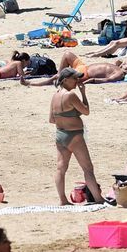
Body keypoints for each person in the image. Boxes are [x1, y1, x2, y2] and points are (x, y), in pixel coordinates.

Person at [50, 68, 105, 204]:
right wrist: (83, 93)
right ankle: (98, 199)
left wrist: (69, 115)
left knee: (61, 168)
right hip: (74, 136)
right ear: (65, 80)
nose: (77, 81)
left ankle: (63, 200)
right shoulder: (71, 95)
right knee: (88, 169)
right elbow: (86, 111)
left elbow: (52, 119)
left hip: (60, 135)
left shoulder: (55, 96)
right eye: (74, 78)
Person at [22, 52, 127, 85]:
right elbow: (119, 61)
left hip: (84, 73)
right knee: (67, 54)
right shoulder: (118, 67)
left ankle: (31, 83)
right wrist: (122, 63)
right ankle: (59, 75)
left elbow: (107, 80)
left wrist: (91, 81)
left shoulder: (120, 74)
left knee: (58, 77)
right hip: (83, 66)